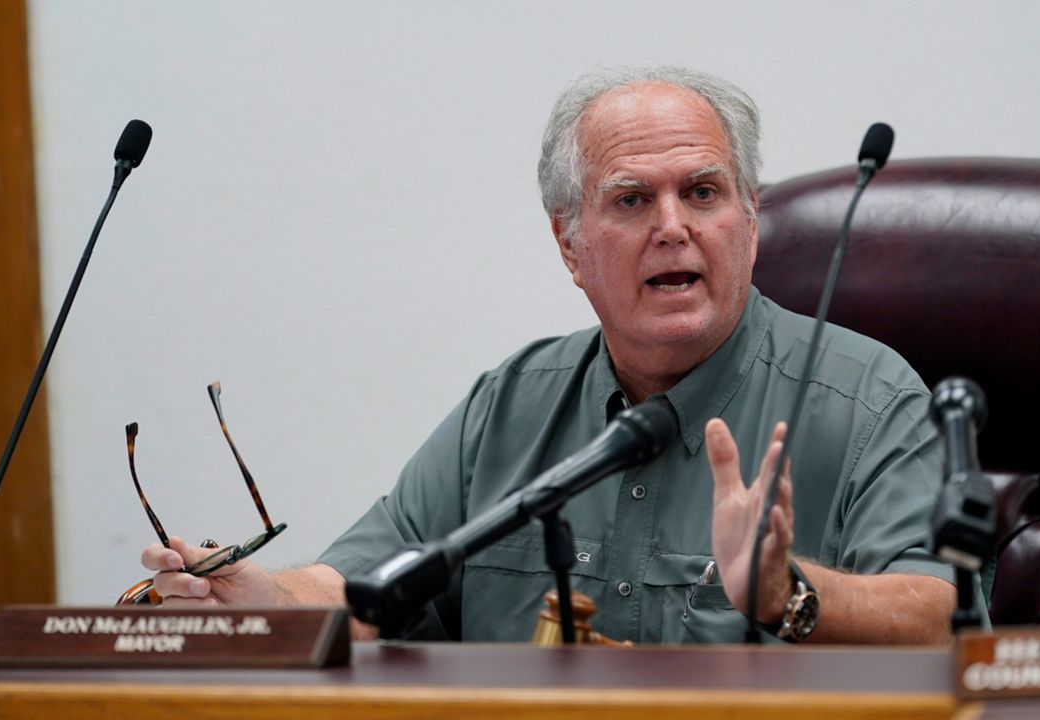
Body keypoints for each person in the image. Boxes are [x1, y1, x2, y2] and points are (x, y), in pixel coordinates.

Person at [141, 66, 963, 644]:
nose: (673, 225)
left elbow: (936, 619)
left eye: (703, 193)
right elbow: (371, 580)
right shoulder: (510, 406)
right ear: (570, 245)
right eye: (632, 200)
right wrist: (260, 601)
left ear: (750, 222)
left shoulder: (867, 400)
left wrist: (788, 593)